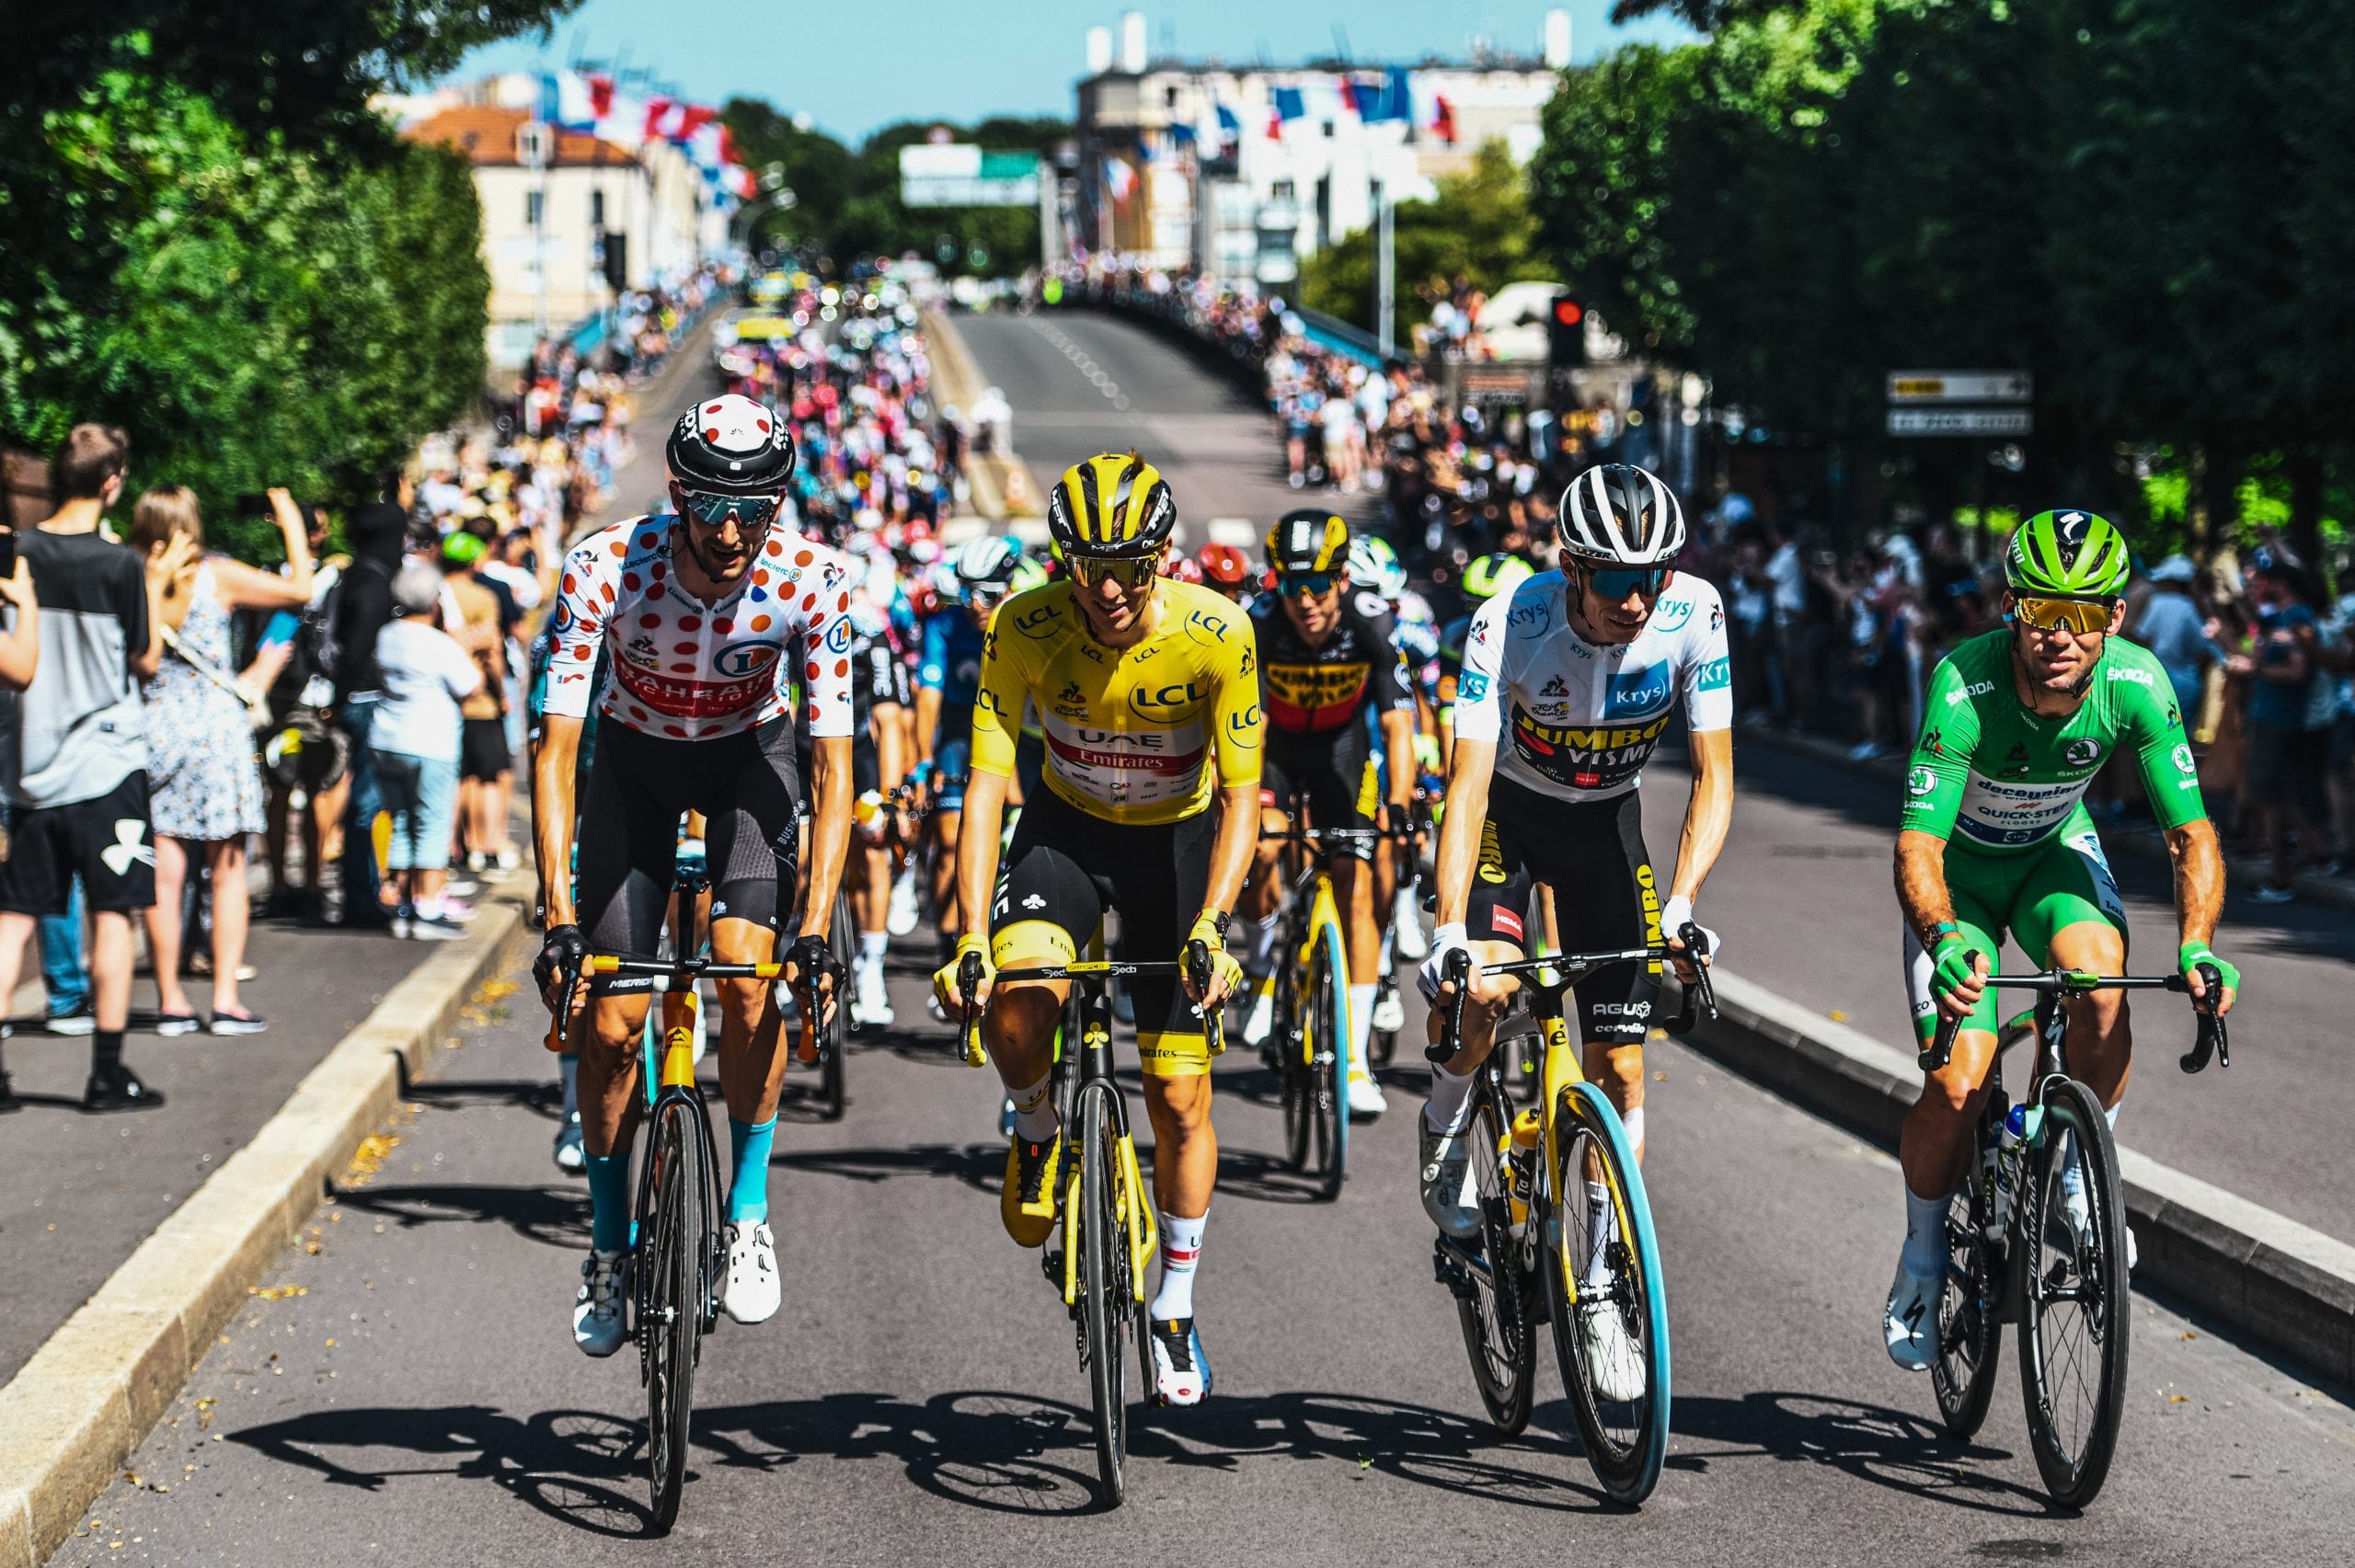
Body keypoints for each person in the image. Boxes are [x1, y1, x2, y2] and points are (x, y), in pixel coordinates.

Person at [929, 451, 1259, 1408]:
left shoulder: (1217, 633)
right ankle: (1035, 1127)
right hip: (1065, 831)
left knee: (1179, 1095)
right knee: (1020, 1005)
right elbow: (988, 783)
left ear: (1163, 554)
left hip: (1175, 847)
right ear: (1060, 559)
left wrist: (1215, 924)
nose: (1107, 589)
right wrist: (967, 934)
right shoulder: (1022, 624)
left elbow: (1242, 797)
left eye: (1129, 565)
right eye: (1085, 566)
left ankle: (1174, 1305)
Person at [534, 394, 855, 1356]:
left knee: (751, 982)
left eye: (754, 511)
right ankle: (605, 1243)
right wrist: (557, 916)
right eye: (710, 506)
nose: (729, 532)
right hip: (632, 762)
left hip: (750, 758)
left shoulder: (815, 580)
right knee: (611, 1019)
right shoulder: (602, 567)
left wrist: (816, 929)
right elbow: (554, 752)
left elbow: (835, 766)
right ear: (675, 491)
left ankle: (747, 1212)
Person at [1883, 509, 2236, 1369]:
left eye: (2084, 614)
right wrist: (1943, 937)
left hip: (2050, 857)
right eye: (2042, 609)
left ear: (2115, 619)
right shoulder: (1965, 684)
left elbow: (2192, 835)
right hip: (1959, 877)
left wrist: (2196, 946)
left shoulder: (2141, 684)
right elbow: (1918, 847)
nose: (2060, 634)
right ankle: (1925, 1253)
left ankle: (2082, 1178)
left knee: (2102, 985)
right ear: (2012, 607)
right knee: (1961, 1081)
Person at [1418, 463, 1733, 1402]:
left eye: (1655, 576)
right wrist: (1446, 927)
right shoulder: (1508, 619)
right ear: (1571, 568)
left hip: (1607, 829)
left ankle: (1596, 1285)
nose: (1637, 599)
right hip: (1510, 823)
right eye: (1614, 578)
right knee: (1483, 989)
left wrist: (1680, 904)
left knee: (1624, 1068)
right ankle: (1443, 1121)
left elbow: (1715, 775)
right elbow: (1466, 785)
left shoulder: (1695, 613)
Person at [0, 424, 189, 1111]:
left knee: (14, 915)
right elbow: (144, 661)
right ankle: (106, 1073)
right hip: (107, 768)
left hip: (30, 767)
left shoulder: (16, 551)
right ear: (112, 482)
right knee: (114, 915)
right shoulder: (119, 565)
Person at [1235, 508, 1417, 1118]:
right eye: (1291, 585)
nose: (1305, 600)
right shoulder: (1259, 625)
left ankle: (1358, 1059)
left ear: (1343, 580)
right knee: (1261, 849)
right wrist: (1243, 804)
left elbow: (1397, 727)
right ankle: (1262, 970)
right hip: (1278, 754)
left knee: (1357, 889)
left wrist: (1396, 804)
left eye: (1317, 585)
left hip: (1342, 754)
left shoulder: (1372, 623)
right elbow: (1248, 729)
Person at [127, 486, 314, 1031]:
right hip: (214, 730)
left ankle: (169, 1000)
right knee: (227, 869)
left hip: (156, 726)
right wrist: (288, 521)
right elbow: (299, 589)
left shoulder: (131, 575)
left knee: (165, 872)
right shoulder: (217, 575)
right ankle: (226, 998)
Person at [368, 563, 479, 939]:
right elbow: (470, 685)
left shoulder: (386, 635)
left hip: (386, 737)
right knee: (432, 821)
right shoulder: (437, 643)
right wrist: (462, 643)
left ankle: (402, 905)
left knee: (400, 819)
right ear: (435, 601)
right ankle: (427, 909)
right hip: (430, 741)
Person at [330, 475, 412, 929]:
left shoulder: (357, 573)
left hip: (356, 698)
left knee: (366, 800)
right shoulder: (375, 582)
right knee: (365, 803)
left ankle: (361, 889)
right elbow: (357, 648)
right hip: (364, 700)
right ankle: (359, 896)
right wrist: (342, 697)